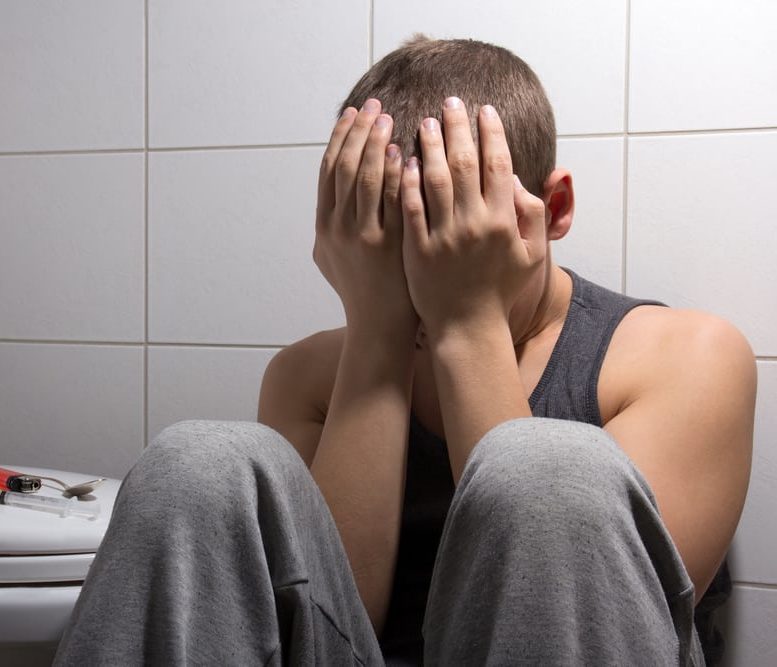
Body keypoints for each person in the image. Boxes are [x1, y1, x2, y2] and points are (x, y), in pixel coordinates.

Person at [54, 36, 756, 666]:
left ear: (555, 211)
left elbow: (602, 619)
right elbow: (327, 612)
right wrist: (375, 330)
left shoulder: (686, 356)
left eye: (452, 237)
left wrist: (466, 318)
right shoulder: (309, 375)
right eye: (397, 245)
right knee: (196, 460)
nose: (423, 279)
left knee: (545, 466)